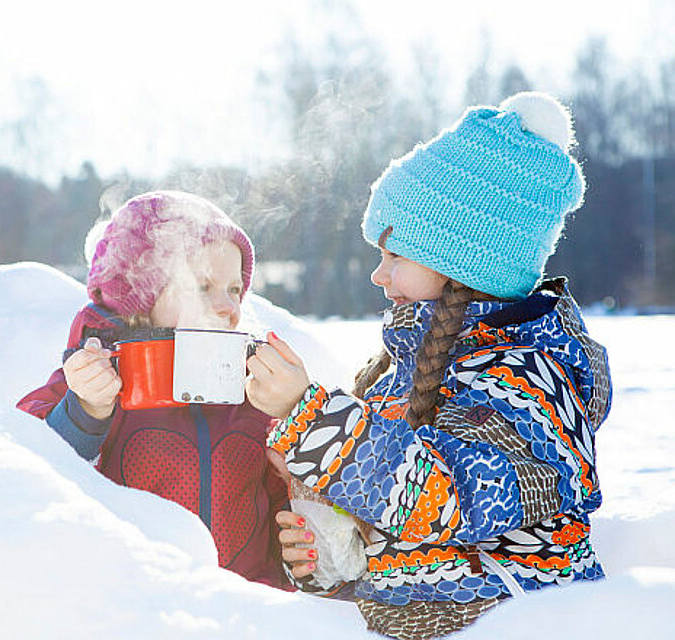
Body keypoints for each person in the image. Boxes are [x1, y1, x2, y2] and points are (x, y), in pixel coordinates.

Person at [246, 92, 612, 639]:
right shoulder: (396, 374)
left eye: (395, 255)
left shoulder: (528, 377)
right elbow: (402, 533)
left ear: (461, 261)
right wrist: (332, 551)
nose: (378, 274)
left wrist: (311, 416)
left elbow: (449, 496)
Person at [17, 190, 289, 588]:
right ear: (139, 297)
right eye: (202, 286)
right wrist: (86, 412)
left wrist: (300, 535)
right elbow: (28, 474)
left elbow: (282, 515)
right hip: (138, 611)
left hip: (247, 616)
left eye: (234, 289)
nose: (227, 306)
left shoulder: (251, 393)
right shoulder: (95, 382)